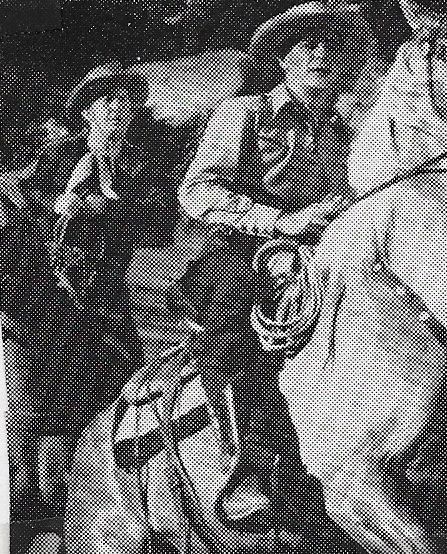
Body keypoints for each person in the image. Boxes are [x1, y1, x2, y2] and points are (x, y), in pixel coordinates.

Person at [178, 0, 371, 525]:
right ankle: (256, 463)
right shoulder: (242, 113)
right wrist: (278, 224)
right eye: (310, 48)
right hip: (244, 250)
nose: (324, 61)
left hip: (327, 247)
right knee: (238, 335)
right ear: (284, 58)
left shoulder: (356, 119)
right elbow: (196, 196)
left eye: (332, 49)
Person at [10, 61, 179, 549]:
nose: (111, 113)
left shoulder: (160, 161)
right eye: (98, 106)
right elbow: (58, 269)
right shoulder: (71, 181)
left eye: (121, 101)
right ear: (85, 119)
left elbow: (172, 219)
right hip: (92, 336)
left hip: (157, 309)